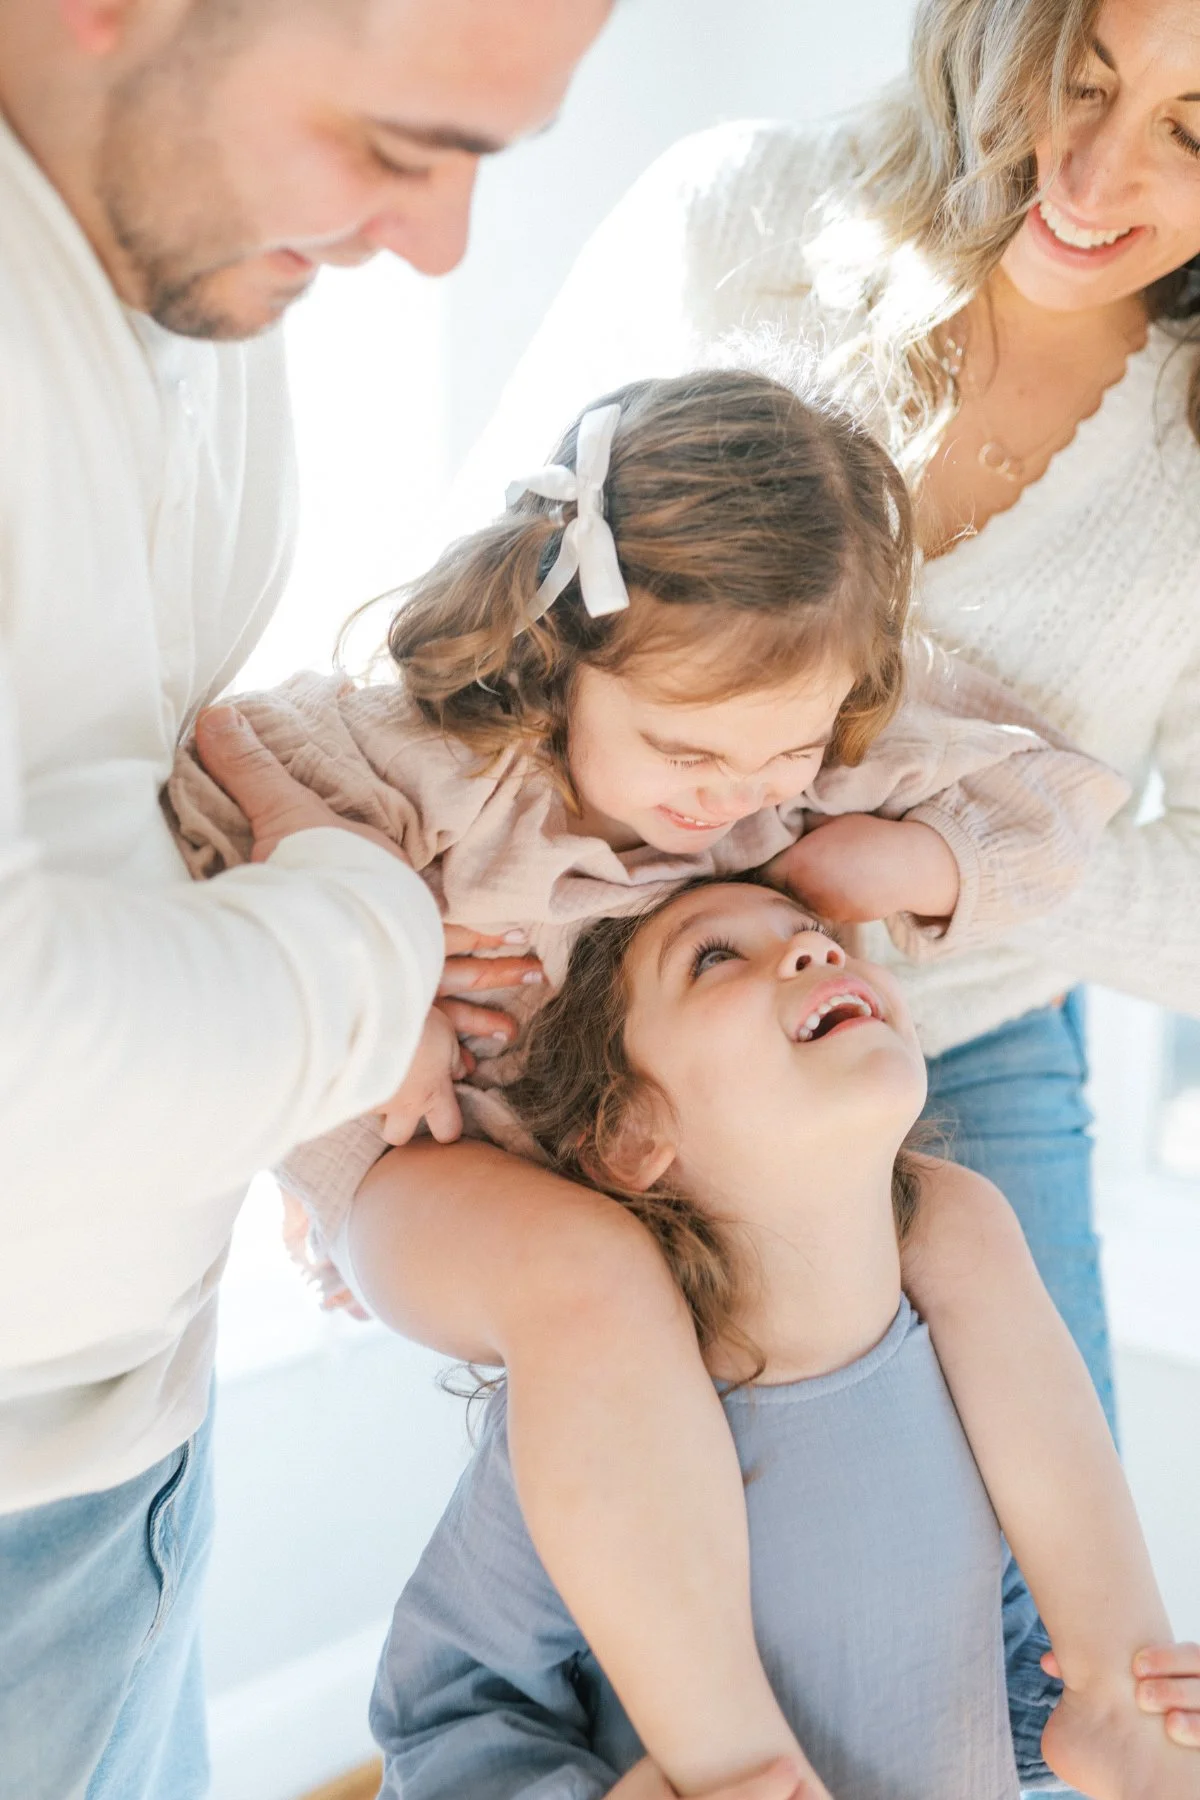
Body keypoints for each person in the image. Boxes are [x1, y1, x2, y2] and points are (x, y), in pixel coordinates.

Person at [169, 367, 1188, 1797]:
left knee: (950, 1212)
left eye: (787, 749)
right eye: (687, 752)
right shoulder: (446, 761)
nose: (737, 796)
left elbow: (1049, 802)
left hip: (645, 1127)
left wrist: (903, 860)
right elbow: (219, 755)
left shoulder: (788, 756)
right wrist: (371, 951)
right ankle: (733, 1764)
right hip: (420, 1149)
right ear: (561, 653)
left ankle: (1124, 1687)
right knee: (585, 1271)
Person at [0, 3, 614, 1797]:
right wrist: (368, 929)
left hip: (116, 1438)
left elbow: (141, 789)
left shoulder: (178, 263)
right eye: (395, 143)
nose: (436, 245)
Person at [448, 0, 1200, 1455]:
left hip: (958, 1046)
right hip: (601, 1020)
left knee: (1039, 1596)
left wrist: (944, 872)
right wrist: (418, 980)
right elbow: (473, 623)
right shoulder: (737, 208)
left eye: (1195, 131)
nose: (1091, 176)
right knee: (625, 1557)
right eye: (1079, 80)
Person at [368, 877, 1199, 1800]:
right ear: (630, 1135)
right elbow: (448, 1713)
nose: (817, 949)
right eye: (713, 956)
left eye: (814, 932)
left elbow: (981, 1663)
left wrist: (1109, 1710)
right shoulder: (593, 1417)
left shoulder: (966, 1348)